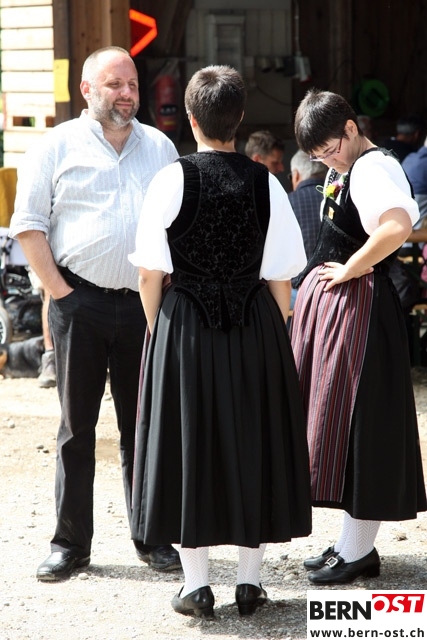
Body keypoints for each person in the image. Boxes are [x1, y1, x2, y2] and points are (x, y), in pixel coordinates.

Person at [129, 65, 312, 619]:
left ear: (191, 119)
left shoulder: (171, 180)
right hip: (254, 322)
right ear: (241, 119)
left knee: (191, 443)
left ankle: (197, 586)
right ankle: (249, 584)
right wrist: (275, 330)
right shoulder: (267, 183)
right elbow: (281, 274)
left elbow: (149, 273)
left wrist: (159, 329)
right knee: (254, 439)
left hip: (185, 324)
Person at [9, 46, 181, 582]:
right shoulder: (56, 145)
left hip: (144, 306)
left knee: (143, 427)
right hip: (78, 304)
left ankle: (152, 537)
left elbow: (179, 224)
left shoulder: (160, 147)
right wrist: (61, 293)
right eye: (114, 85)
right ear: (86, 90)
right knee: (76, 429)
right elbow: (28, 225)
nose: (127, 94)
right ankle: (70, 544)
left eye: (132, 84)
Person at [290, 88, 427, 585]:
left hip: (363, 312)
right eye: (319, 156)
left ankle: (359, 550)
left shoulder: (373, 168)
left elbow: (396, 227)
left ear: (351, 128)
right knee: (345, 427)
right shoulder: (351, 166)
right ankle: (351, 544)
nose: (328, 160)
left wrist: (351, 268)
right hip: (347, 311)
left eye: (331, 149)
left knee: (362, 427)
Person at [288, 149, 327, 310]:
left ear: (296, 175)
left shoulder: (288, 202)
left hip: (298, 290)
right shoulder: (337, 198)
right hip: (335, 289)